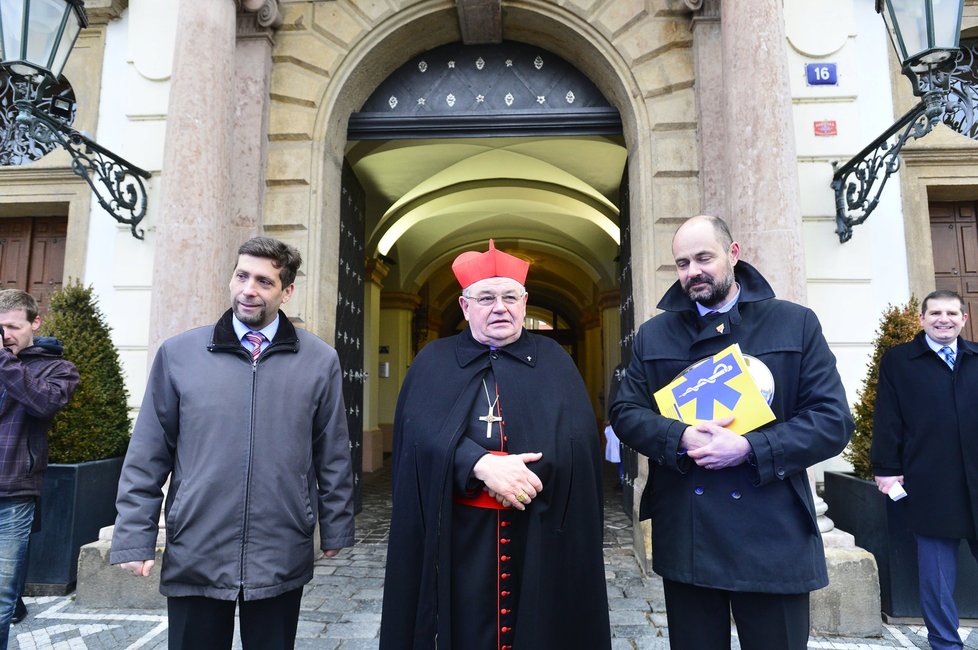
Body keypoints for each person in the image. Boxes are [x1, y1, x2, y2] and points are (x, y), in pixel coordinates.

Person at [610, 215, 853, 650]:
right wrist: (680, 437)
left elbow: (832, 420)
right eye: (682, 263)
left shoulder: (794, 323)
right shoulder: (653, 334)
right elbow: (626, 412)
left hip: (772, 531)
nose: (693, 272)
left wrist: (749, 447)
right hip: (689, 529)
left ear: (733, 254)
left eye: (704, 258)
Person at [110, 237, 355, 650]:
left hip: (281, 545)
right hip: (197, 544)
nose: (249, 289)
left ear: (287, 291)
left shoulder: (320, 359)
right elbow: (148, 452)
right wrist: (135, 533)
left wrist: (336, 527)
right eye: (242, 275)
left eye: (264, 281)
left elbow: (331, 450)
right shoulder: (180, 353)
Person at [379, 240, 611, 650]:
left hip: (537, 531)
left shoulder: (554, 359)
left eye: (509, 297)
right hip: (457, 539)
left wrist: (525, 478)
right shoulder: (435, 360)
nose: (499, 307)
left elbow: (578, 445)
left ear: (524, 302)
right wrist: (479, 464)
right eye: (485, 297)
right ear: (466, 307)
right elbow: (416, 439)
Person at [871, 289, 978, 650]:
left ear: (964, 319)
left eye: (951, 313)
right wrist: (886, 468)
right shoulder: (899, 361)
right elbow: (887, 418)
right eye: (935, 313)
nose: (943, 319)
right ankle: (946, 643)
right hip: (930, 481)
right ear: (921, 319)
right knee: (937, 576)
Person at [0, 290, 80, 650]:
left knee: (1, 596)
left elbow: (43, 404)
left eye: (13, 327)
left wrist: (4, 362)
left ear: (35, 323)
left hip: (13, 493)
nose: (5, 336)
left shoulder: (57, 368)